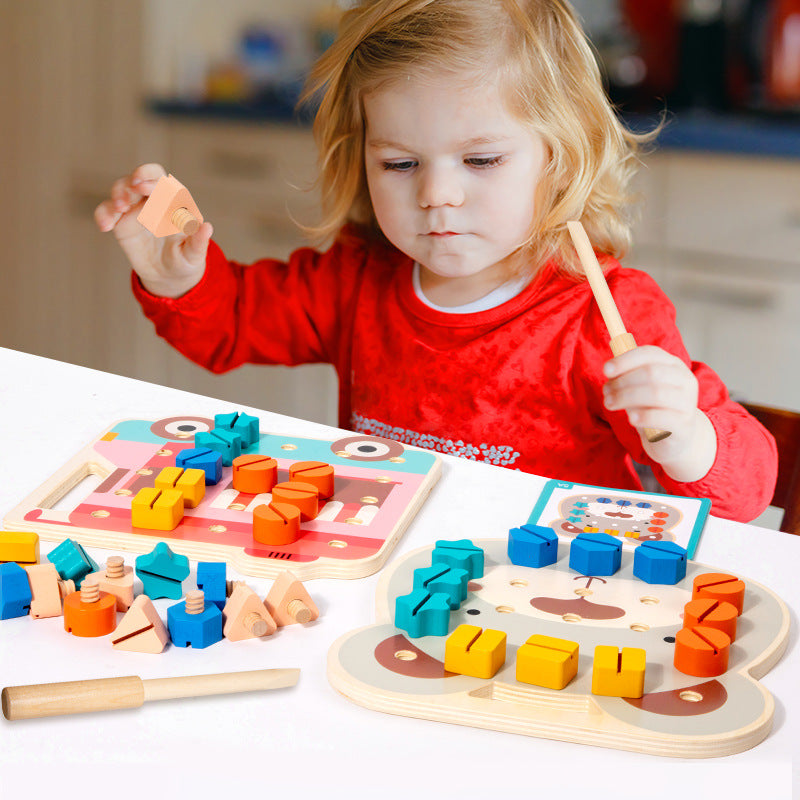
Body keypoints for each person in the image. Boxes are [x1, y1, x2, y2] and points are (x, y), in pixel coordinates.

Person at [94, 0, 776, 523]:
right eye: (399, 163)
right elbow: (231, 325)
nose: (436, 195)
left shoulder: (607, 314)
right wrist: (177, 275)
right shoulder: (357, 279)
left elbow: (747, 494)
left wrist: (686, 436)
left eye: (480, 160)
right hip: (391, 588)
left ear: (559, 158)